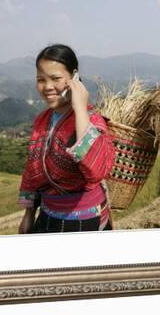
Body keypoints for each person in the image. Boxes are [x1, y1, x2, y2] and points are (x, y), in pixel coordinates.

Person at [18, 44, 116, 234]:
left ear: (74, 78)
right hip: (48, 216)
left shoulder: (92, 120)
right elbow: (32, 169)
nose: (47, 87)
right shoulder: (42, 120)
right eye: (41, 80)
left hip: (85, 221)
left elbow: (96, 171)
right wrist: (29, 214)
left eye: (55, 78)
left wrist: (80, 107)